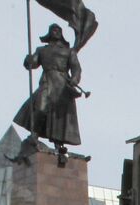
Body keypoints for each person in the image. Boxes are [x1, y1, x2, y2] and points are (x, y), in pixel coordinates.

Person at [13, 24, 82, 154]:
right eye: (53, 30)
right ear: (49, 33)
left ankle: (58, 144)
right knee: (40, 108)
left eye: (58, 30)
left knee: (59, 115)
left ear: (61, 34)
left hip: (62, 85)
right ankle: (34, 134)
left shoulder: (69, 51)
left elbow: (76, 68)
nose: (55, 32)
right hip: (46, 81)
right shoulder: (42, 50)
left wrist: (75, 78)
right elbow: (33, 63)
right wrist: (28, 60)